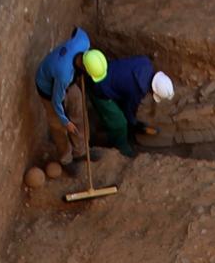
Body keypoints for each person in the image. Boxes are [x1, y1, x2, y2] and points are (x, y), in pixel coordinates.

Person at [84, 54, 175, 157]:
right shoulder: (136, 91)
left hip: (109, 72)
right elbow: (128, 110)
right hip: (99, 89)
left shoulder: (145, 62)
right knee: (119, 124)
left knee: (120, 107)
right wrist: (134, 124)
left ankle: (107, 124)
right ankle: (122, 149)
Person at [35, 27, 95, 172]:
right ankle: (66, 159)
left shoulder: (84, 42)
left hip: (69, 81)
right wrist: (66, 121)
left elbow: (76, 31)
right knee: (59, 126)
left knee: (78, 111)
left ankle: (80, 151)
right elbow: (56, 101)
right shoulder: (64, 74)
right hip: (49, 89)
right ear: (84, 67)